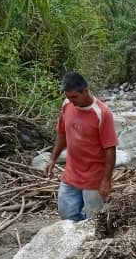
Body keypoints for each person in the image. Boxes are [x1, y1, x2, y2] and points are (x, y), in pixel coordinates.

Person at [45, 71, 118, 221]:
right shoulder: (67, 105)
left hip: (94, 177)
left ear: (85, 91)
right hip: (72, 173)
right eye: (68, 96)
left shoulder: (102, 113)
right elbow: (62, 133)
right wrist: (53, 159)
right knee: (66, 215)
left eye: (74, 97)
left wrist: (106, 180)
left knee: (94, 220)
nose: (71, 101)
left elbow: (110, 148)